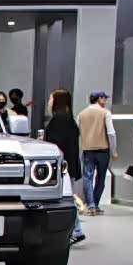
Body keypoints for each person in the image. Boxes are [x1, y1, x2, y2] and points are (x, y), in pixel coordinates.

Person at [41, 88, 86, 244]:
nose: (49, 102)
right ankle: (76, 230)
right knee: (68, 198)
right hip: (69, 165)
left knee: (66, 199)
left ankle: (76, 230)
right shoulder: (68, 119)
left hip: (63, 167)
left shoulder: (59, 120)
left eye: (51, 99)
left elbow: (56, 145)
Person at [77, 90, 117, 214]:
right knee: (101, 178)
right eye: (104, 98)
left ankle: (90, 206)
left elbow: (77, 131)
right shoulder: (105, 113)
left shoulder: (81, 114)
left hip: (87, 150)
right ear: (100, 98)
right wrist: (114, 150)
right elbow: (111, 133)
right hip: (103, 151)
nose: (105, 101)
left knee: (87, 178)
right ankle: (95, 203)